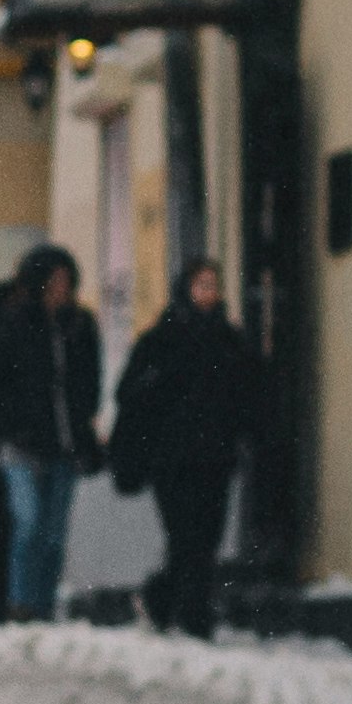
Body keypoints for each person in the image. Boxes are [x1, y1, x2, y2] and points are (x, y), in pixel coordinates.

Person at [106, 259, 262, 635]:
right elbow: (130, 393)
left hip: (215, 456)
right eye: (202, 285)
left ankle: (164, 600)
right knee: (184, 535)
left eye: (214, 284)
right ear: (186, 289)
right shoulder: (161, 340)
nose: (209, 292)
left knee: (206, 536)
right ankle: (194, 616)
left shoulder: (229, 341)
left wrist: (242, 435)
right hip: (171, 458)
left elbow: (249, 395)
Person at [0, 246, 102, 622]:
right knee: (27, 523)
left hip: (64, 441)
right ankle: (20, 603)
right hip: (23, 442)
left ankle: (41, 604)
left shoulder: (79, 325)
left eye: (66, 281)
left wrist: (82, 419)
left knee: (53, 533)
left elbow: (88, 382)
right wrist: (14, 421)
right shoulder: (16, 322)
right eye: (54, 281)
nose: (62, 288)